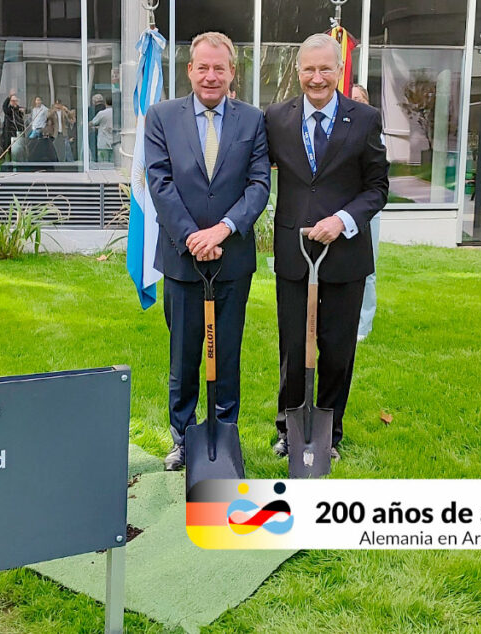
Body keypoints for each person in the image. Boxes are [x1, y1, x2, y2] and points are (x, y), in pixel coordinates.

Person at [145, 31, 270, 471]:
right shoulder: (161, 117)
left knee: (227, 354)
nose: (211, 76)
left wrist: (221, 231)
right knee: (183, 357)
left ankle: (223, 435)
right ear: (190, 70)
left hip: (232, 260)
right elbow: (159, 182)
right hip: (182, 261)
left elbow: (259, 184)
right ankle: (183, 439)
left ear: (232, 72)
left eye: (220, 68)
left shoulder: (252, 120)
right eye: (203, 67)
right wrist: (192, 238)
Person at [265, 34, 389, 461]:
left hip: (345, 256)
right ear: (297, 71)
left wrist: (343, 221)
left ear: (339, 70)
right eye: (308, 69)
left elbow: (377, 187)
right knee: (293, 348)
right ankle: (289, 429)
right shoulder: (276, 118)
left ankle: (329, 433)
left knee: (337, 350)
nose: (316, 78)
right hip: (295, 254)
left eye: (325, 69)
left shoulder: (365, 119)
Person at [350, 83, 381, 342]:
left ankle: (363, 325)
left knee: (367, 269)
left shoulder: (371, 128)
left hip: (367, 211)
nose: (354, 104)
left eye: (359, 99)